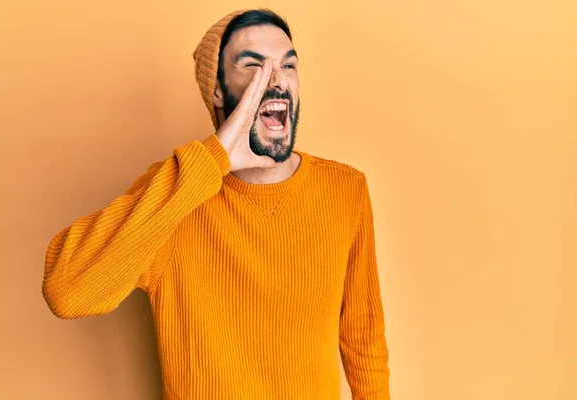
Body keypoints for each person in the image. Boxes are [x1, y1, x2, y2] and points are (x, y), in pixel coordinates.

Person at [42, 8, 390, 399]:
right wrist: (211, 161)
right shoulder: (177, 192)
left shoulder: (345, 189)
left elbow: (363, 337)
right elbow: (66, 290)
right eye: (254, 66)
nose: (277, 81)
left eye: (288, 65)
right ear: (217, 90)